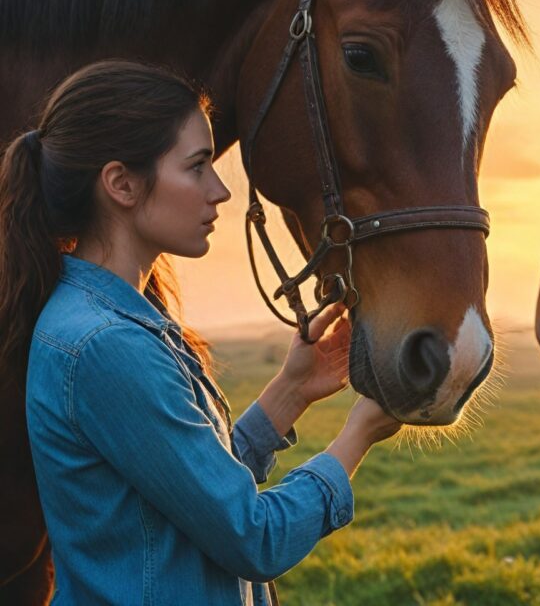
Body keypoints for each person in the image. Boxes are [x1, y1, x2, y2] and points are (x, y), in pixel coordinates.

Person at [0, 60, 400, 605]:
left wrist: (290, 390)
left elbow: (190, 494)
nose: (220, 191)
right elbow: (252, 536)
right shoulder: (106, 345)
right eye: (196, 167)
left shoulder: (105, 319)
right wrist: (359, 434)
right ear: (121, 183)